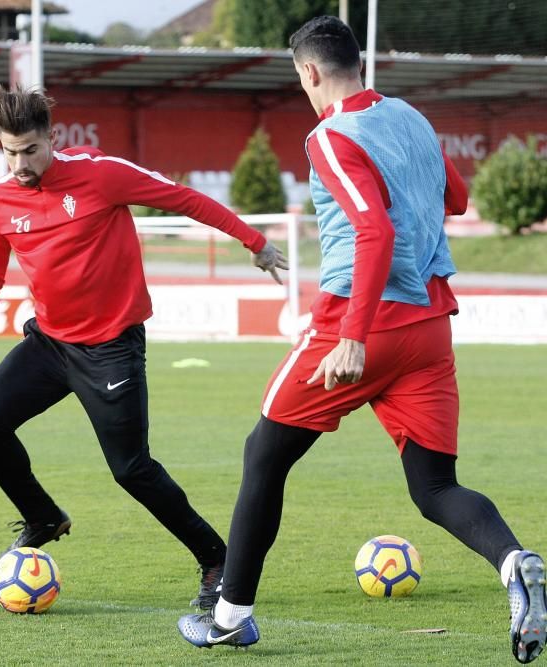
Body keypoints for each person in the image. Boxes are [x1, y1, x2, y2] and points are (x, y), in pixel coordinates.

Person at [176, 16, 546, 664]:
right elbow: (455, 197)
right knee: (434, 488)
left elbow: (373, 230)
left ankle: (231, 615)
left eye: (299, 78)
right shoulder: (413, 120)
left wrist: (353, 336)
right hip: (430, 329)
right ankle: (515, 561)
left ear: (310, 73)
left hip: (363, 323)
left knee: (264, 452)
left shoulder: (330, 138)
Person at [0, 85, 288, 607]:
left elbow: (186, 199)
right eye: (9, 151)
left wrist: (256, 242)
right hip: (49, 344)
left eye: (30, 150)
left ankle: (216, 558)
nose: (19, 163)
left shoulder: (101, 174)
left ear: (52, 138)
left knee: (131, 469)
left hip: (112, 347)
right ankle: (44, 515)